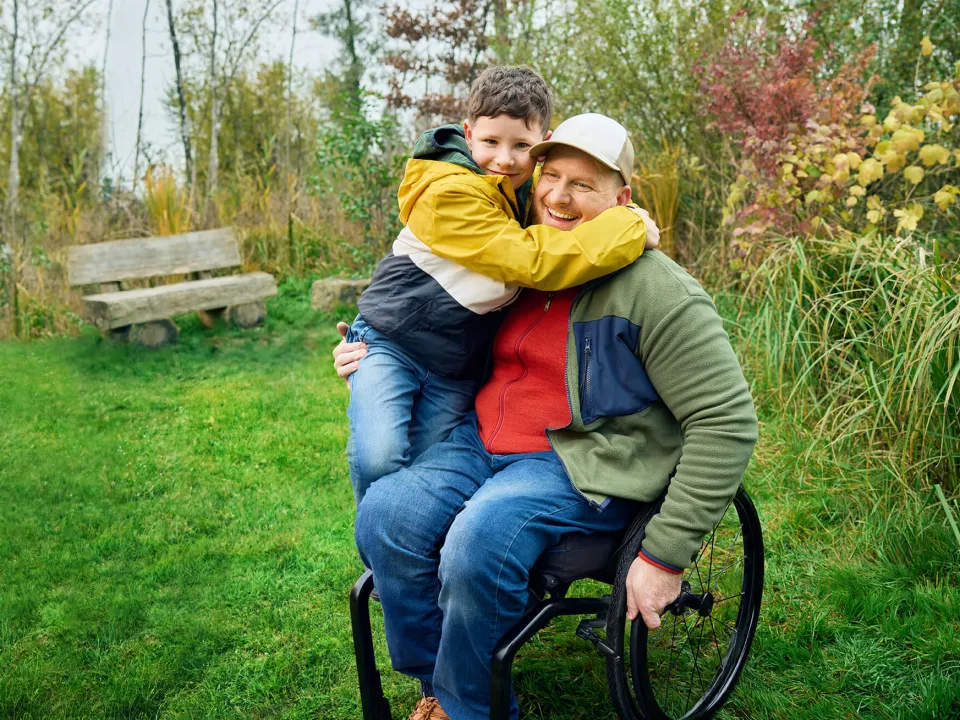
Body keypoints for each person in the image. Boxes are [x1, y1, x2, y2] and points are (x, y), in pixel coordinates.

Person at [335, 115, 759, 720]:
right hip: (479, 440)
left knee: (478, 542)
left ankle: (469, 711)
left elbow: (727, 420)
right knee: (386, 514)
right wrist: (369, 350)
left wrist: (666, 555)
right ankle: (439, 685)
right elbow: (423, 314)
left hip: (578, 460)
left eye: (583, 185)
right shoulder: (520, 259)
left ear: (623, 199)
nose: (559, 196)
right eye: (550, 175)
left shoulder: (660, 291)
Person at [343, 66, 657, 505]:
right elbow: (533, 259)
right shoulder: (449, 193)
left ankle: (415, 550)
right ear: (469, 135)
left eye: (522, 146)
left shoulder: (520, 196)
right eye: (491, 142)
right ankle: (377, 557)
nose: (505, 159)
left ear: (539, 148)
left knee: (424, 468)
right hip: (397, 343)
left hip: (454, 364)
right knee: (381, 456)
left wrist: (617, 214)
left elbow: (578, 210)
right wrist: (629, 229)